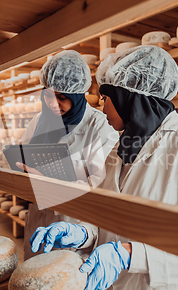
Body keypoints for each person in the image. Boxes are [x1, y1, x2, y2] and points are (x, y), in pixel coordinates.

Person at [30, 45, 178, 290]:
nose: (102, 109)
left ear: (128, 97)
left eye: (105, 99)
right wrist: (83, 234)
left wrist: (128, 254)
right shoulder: (120, 148)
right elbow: (108, 221)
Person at [19, 50, 119, 260]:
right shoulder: (39, 121)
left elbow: (100, 188)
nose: (53, 104)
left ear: (77, 94)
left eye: (62, 98)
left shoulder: (100, 127)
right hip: (39, 217)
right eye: (48, 96)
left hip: (74, 226)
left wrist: (47, 177)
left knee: (66, 282)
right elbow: (24, 157)